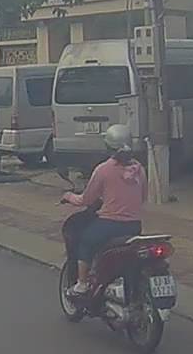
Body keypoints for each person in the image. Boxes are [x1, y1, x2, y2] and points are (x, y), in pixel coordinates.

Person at [63, 124, 147, 296]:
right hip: (134, 226)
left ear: (108, 147)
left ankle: (82, 284)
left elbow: (85, 200)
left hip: (109, 225)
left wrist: (69, 196)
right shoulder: (139, 169)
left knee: (85, 242)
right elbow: (143, 197)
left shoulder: (103, 170)